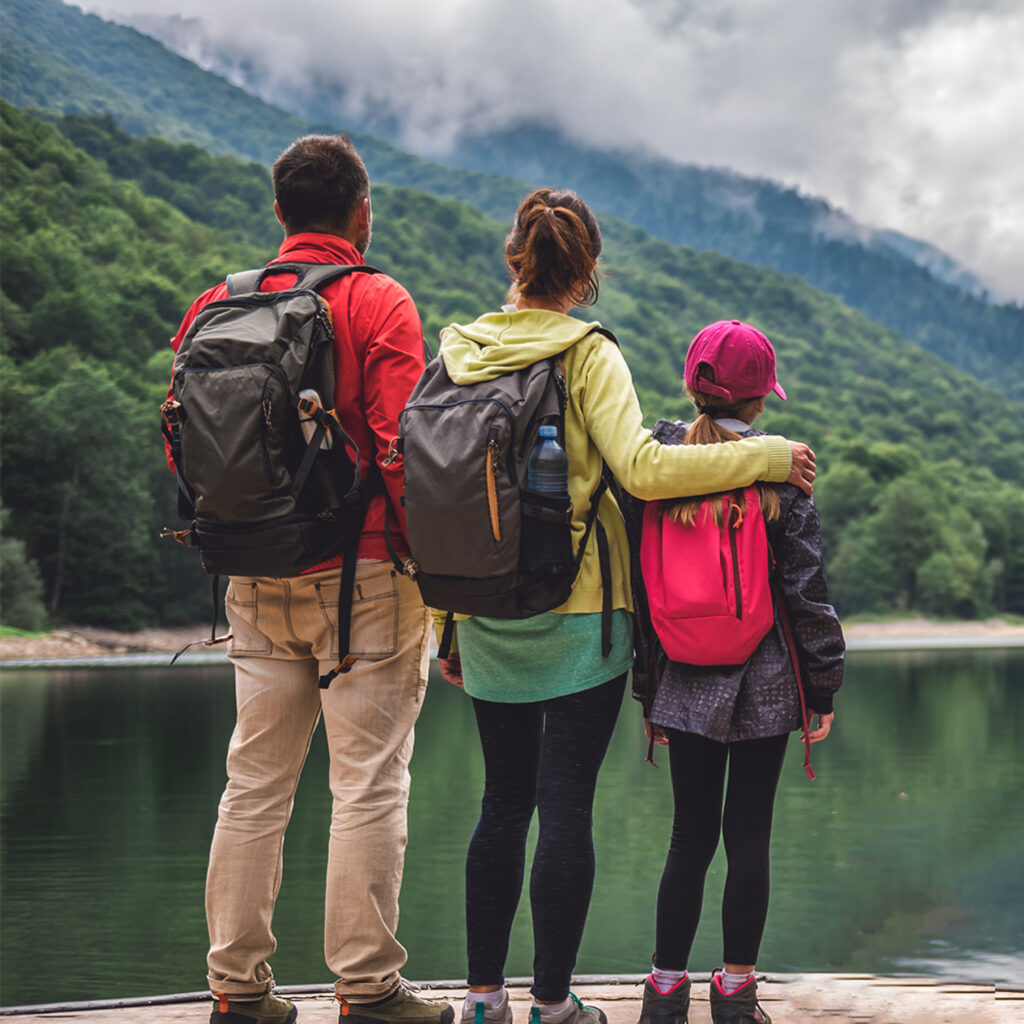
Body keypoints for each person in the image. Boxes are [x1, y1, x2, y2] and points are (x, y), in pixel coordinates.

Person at [434, 189, 817, 1024]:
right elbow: (643, 471)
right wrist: (767, 456)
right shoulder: (587, 352)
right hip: (580, 615)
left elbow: (442, 497)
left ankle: (481, 1001)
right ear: (589, 271)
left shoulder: (459, 352)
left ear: (514, 260)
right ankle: (551, 1006)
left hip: (483, 614)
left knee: (501, 804)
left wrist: (445, 624)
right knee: (564, 804)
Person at [167, 135, 455, 1024]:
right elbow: (400, 449)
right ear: (361, 215)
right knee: (366, 782)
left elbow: (180, 439)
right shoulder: (378, 299)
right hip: (365, 573)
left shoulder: (214, 305)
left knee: (254, 782)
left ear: (280, 214)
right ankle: (367, 990)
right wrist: (432, 567)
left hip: (251, 573)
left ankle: (237, 991)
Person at [631, 320, 845, 1024]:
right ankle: (735, 992)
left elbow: (644, 594)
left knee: (688, 836)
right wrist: (822, 687)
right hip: (767, 679)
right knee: (748, 834)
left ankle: (664, 992)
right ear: (758, 402)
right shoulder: (784, 477)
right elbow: (806, 596)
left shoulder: (658, 471)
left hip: (684, 678)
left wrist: (649, 696)